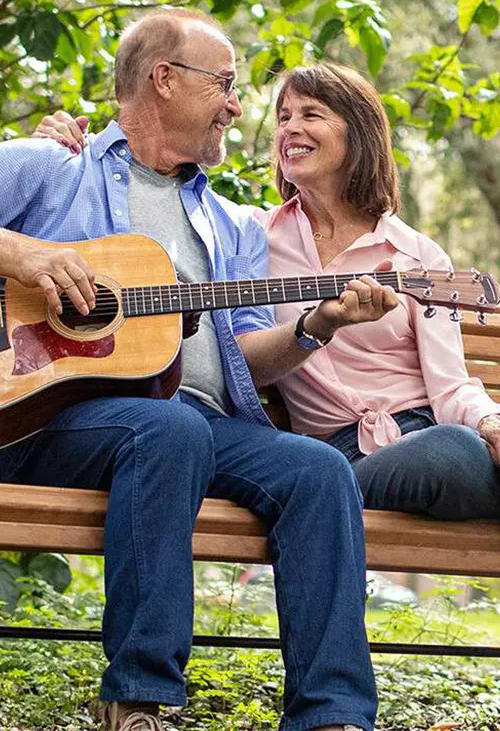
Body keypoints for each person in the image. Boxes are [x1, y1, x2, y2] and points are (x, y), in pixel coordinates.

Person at [0, 10, 402, 731]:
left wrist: (318, 325)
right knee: (169, 430)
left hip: (198, 426)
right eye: (224, 84)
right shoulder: (52, 167)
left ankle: (334, 715)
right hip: (48, 418)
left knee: (316, 471)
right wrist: (27, 256)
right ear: (164, 79)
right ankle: (140, 698)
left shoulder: (232, 223)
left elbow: (246, 355)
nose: (237, 106)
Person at [42, 63, 500, 521]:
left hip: (418, 433)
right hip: (329, 454)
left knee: (455, 447)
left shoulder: (417, 255)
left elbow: (451, 382)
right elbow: (156, 197)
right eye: (284, 117)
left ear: (358, 132)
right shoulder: (248, 236)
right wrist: (74, 141)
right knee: (451, 454)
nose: (290, 129)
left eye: (311, 114)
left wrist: (489, 422)